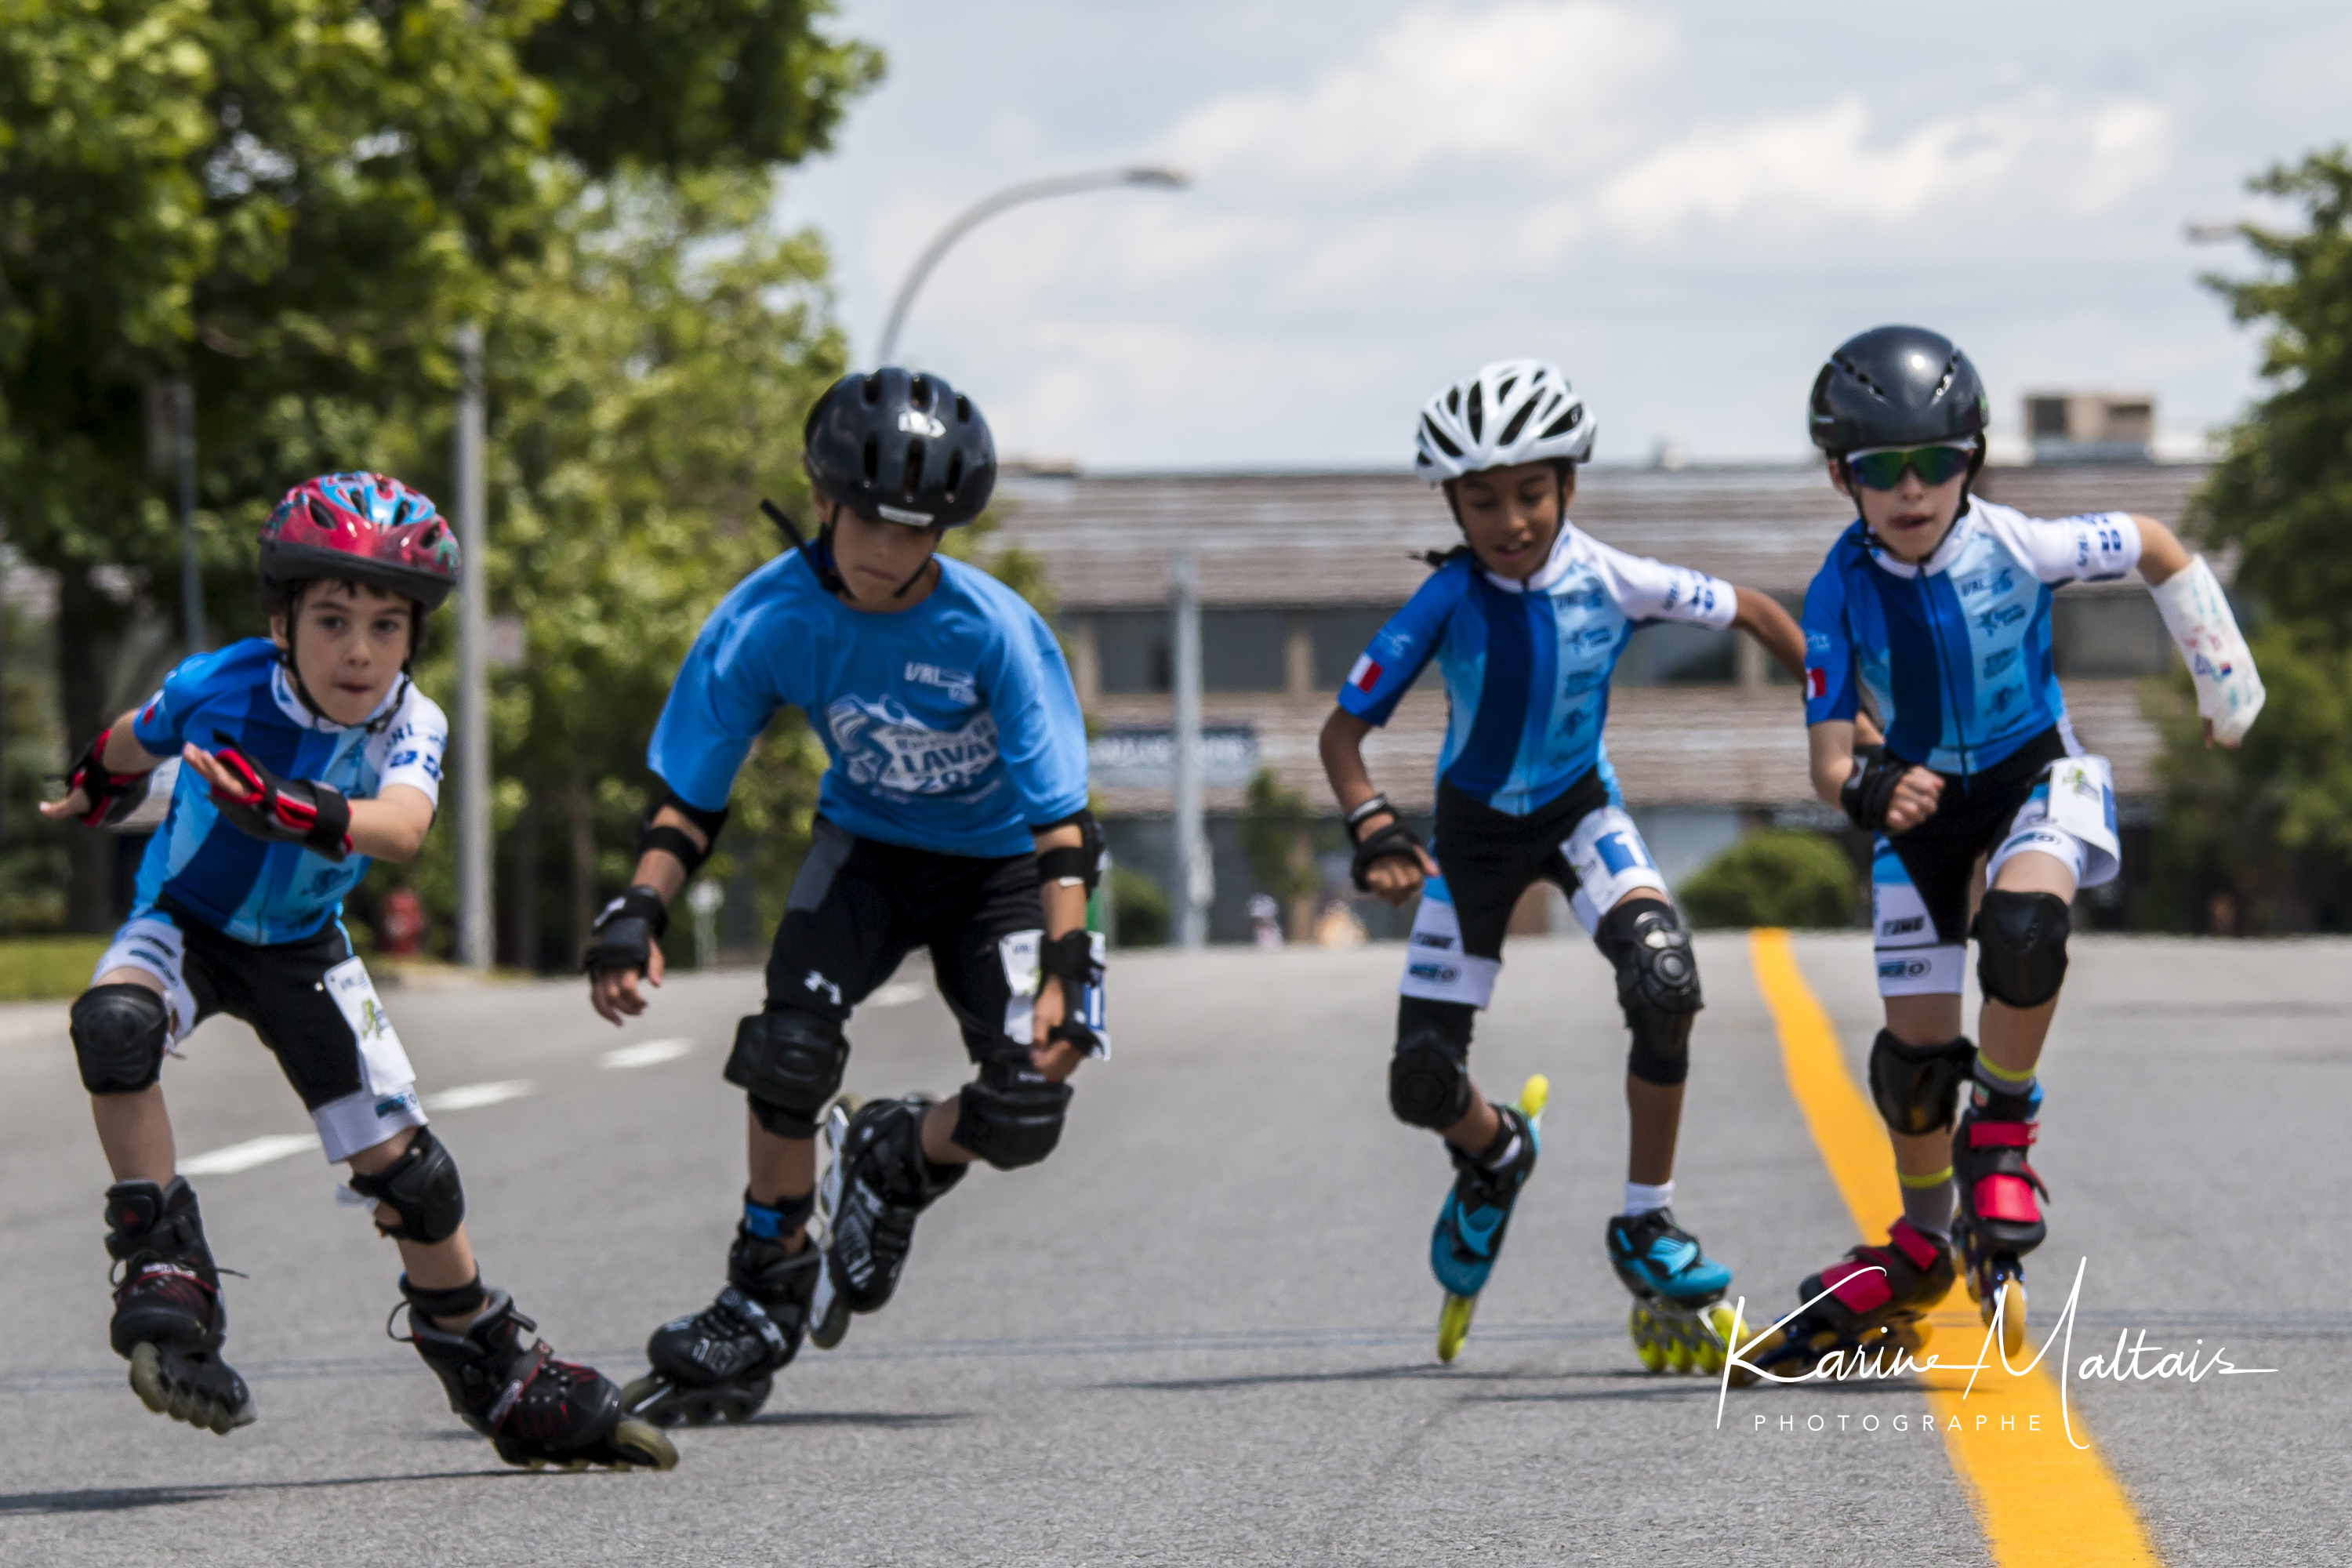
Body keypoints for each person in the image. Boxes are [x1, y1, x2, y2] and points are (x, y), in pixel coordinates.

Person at [42, 474, 675, 1470]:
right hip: (187, 923)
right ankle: (162, 1253)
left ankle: (487, 1355)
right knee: (115, 1027)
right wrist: (94, 778)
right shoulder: (225, 682)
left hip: (304, 947)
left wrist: (295, 807)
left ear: (413, 640)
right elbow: (140, 731)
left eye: (387, 626)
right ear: (281, 618)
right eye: (332, 619)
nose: (360, 650)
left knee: (415, 1179)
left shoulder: (409, 722)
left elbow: (404, 828)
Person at [586, 368, 1103, 1427]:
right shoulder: (769, 619)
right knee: (789, 1048)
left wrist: (1068, 965)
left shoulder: (991, 631)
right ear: (822, 498)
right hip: (865, 847)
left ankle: (897, 1153)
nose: (887, 550)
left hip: (1002, 869)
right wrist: (639, 908)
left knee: (1028, 1107)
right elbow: (691, 795)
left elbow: (1064, 828)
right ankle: (763, 1286)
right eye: (869, 519)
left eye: (917, 531)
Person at [1746, 325, 2263, 1376]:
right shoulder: (1839, 590)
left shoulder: (2020, 544)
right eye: (1880, 468)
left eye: (1936, 460)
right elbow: (1826, 760)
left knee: (2025, 932)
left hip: (2036, 774)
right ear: (1841, 472)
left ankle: (2009, 1123)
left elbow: (2158, 545)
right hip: (1923, 807)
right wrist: (1874, 782)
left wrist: (2226, 681)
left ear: (1971, 459)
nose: (1911, 488)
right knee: (1915, 1069)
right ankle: (1923, 1241)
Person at [1318, 359, 1809, 1370]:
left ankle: (1647, 1220)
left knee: (1667, 981)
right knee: (1419, 1083)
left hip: (1581, 814)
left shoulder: (1613, 577)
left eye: (1531, 493)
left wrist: (1850, 729)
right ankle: (1496, 1153)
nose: (1510, 520)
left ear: (1569, 487)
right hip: (1474, 839)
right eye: (1483, 500)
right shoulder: (1445, 599)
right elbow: (1341, 735)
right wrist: (1376, 829)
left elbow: (1757, 612)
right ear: (1452, 503)